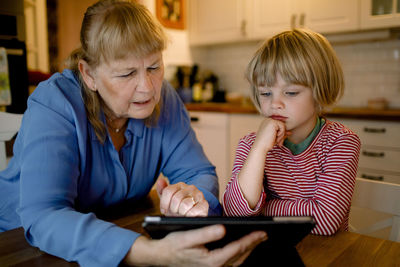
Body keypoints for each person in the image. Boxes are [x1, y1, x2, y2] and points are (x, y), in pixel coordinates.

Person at [0, 1, 267, 266]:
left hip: (110, 233)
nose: (148, 88)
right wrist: (152, 253)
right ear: (88, 73)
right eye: (127, 73)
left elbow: (199, 174)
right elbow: (46, 216)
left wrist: (192, 198)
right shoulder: (55, 103)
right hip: (21, 247)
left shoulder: (166, 101)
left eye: (154, 67)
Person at [223, 28, 361, 236]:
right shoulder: (251, 145)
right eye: (266, 93)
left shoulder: (341, 142)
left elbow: (324, 221)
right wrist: (259, 149)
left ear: (320, 90)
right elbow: (234, 214)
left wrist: (261, 209)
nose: (275, 103)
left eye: (291, 92)